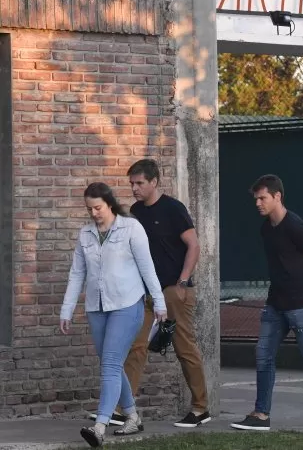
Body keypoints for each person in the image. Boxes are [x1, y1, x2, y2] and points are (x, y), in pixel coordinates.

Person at [230, 174, 303, 432]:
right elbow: (285, 265)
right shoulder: (266, 229)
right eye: (256, 199)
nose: (258, 203)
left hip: (302, 304)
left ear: (277, 196)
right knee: (263, 355)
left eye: (263, 198)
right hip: (276, 304)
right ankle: (261, 415)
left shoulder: (295, 226)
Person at [60, 182, 168, 447]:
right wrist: (67, 309)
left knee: (109, 363)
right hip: (96, 308)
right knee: (111, 364)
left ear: (109, 203)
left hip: (127, 304)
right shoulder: (85, 234)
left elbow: (147, 267)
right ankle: (132, 416)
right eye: (90, 209)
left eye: (98, 207)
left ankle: (100, 425)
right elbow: (77, 274)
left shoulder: (131, 228)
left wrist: (160, 302)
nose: (94, 213)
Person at [110, 159, 210, 428]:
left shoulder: (173, 209)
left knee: (184, 348)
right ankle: (124, 408)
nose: (134, 188)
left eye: (139, 183)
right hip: (146, 293)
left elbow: (194, 245)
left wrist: (183, 282)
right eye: (132, 183)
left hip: (174, 289)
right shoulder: (135, 211)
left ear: (154, 182)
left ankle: (200, 408)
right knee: (136, 346)